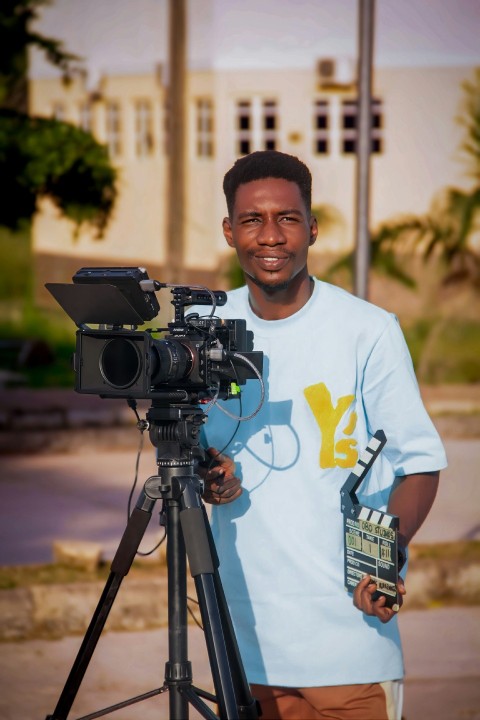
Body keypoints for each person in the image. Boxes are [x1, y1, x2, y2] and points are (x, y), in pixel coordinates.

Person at [198, 150, 447, 720]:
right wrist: (215, 480)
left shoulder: (368, 330)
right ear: (230, 230)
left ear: (311, 228)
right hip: (245, 640)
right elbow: (201, 451)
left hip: (349, 641)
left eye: (287, 218)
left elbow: (420, 463)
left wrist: (385, 562)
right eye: (253, 219)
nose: (271, 236)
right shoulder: (207, 331)